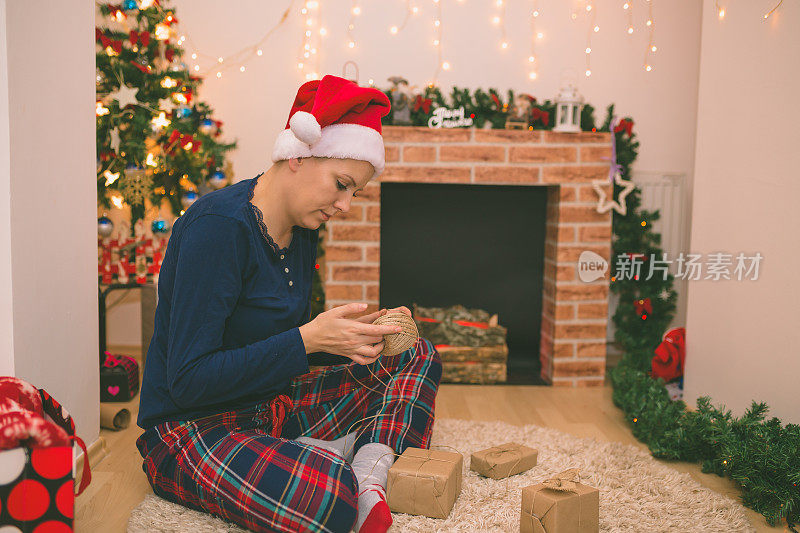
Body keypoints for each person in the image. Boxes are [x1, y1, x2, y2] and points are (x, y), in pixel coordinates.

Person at [135, 74, 443, 533]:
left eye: (354, 192)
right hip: (194, 429)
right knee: (328, 499)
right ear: (298, 155)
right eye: (341, 184)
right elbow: (188, 382)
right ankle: (338, 463)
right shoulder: (218, 229)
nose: (345, 205)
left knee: (415, 354)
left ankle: (365, 472)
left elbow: (278, 347)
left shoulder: (302, 229)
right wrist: (307, 339)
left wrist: (344, 338)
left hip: (272, 408)